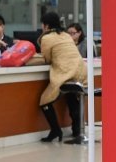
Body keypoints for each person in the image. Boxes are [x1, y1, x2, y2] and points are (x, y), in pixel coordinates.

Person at [35, 11, 86, 142]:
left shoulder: (46, 38)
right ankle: (77, 130)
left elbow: (46, 58)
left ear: (46, 25)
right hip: (80, 73)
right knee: (72, 95)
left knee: (44, 100)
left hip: (66, 73)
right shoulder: (66, 35)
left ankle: (56, 130)